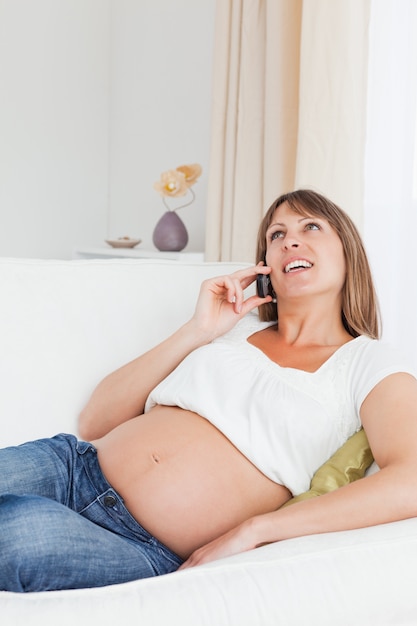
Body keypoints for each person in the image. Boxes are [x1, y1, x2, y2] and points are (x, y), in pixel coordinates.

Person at [1, 189, 417, 592]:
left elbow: (410, 479)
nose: (290, 239)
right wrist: (198, 330)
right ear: (265, 266)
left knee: (18, 532)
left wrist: (257, 530)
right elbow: (96, 420)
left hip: (143, 546)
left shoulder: (367, 362)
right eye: (277, 234)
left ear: (349, 253)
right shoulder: (232, 331)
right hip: (70, 466)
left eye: (310, 227)